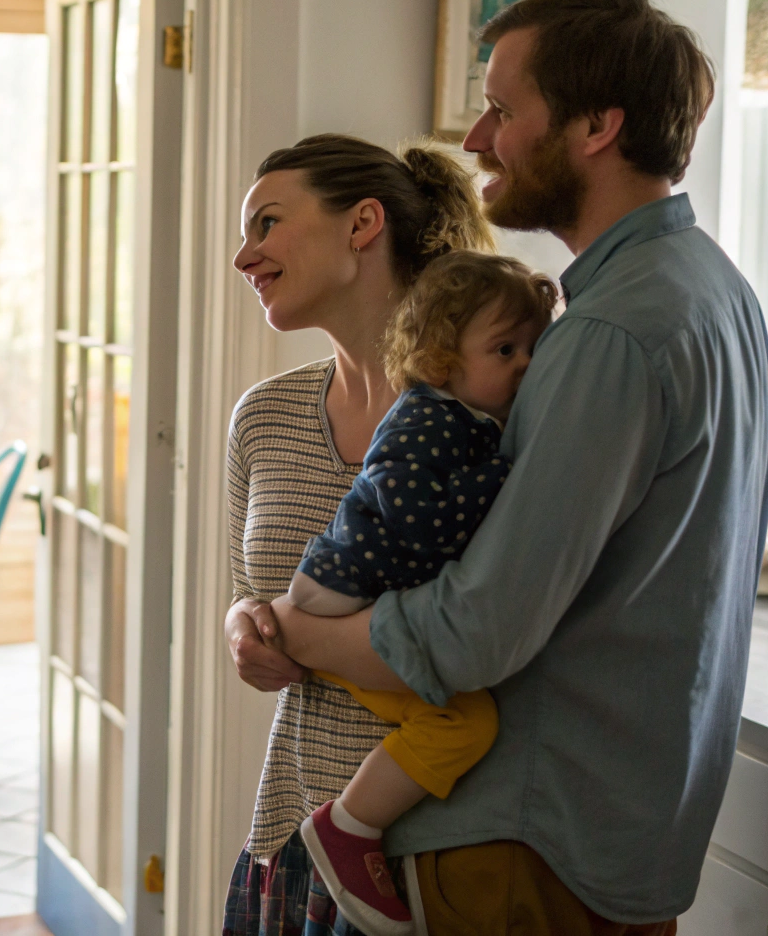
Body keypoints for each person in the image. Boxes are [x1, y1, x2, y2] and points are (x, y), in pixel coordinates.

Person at [245, 0, 768, 934]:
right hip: (619, 831)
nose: (478, 137)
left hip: (531, 839)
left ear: (597, 127)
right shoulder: (712, 287)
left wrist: (296, 632)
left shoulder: (608, 333)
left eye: (502, 108)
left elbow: (477, 630)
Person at [223, 134, 494, 936]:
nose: (244, 256)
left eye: (268, 223)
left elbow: (492, 633)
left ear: (363, 223)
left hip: (436, 860)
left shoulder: (489, 415)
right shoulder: (264, 416)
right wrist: (243, 630)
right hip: (290, 832)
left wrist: (298, 632)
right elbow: (248, 593)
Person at [285, 252, 556, 935]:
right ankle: (350, 826)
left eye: (533, 346)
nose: (525, 363)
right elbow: (419, 518)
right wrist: (508, 480)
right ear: (439, 360)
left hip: (352, 594)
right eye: (505, 349)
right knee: (464, 722)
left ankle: (353, 823)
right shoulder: (428, 419)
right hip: (342, 599)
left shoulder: (463, 419)